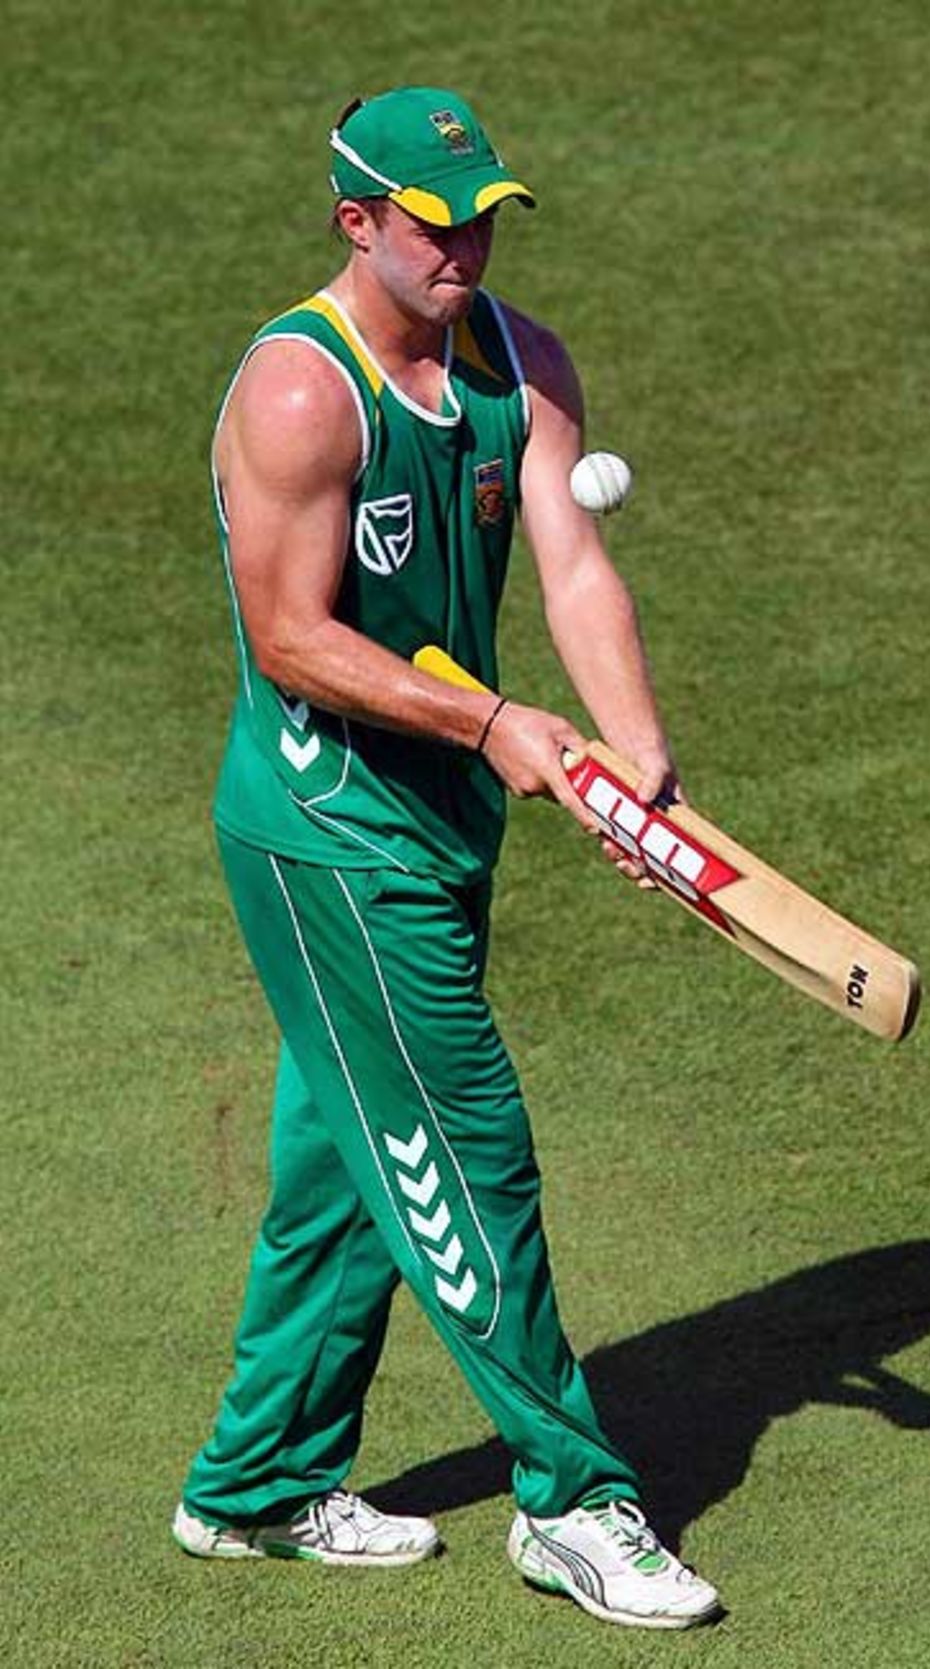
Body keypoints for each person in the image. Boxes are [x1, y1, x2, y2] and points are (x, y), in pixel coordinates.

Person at [171, 86, 721, 1632]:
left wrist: (632, 758)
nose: (467, 244)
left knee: (352, 1160)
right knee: (465, 1147)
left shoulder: (521, 361)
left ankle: (258, 1481)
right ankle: (575, 1499)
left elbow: (573, 556)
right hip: (327, 833)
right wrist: (492, 725)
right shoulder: (301, 394)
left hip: (439, 819)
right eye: (434, 223)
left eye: (482, 215)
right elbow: (290, 638)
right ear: (358, 223)